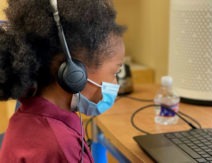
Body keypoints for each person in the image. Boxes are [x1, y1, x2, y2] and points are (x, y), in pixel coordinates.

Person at [0, 0, 126, 162]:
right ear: (74, 73)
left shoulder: (31, 115)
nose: (115, 83)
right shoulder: (58, 146)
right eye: (115, 72)